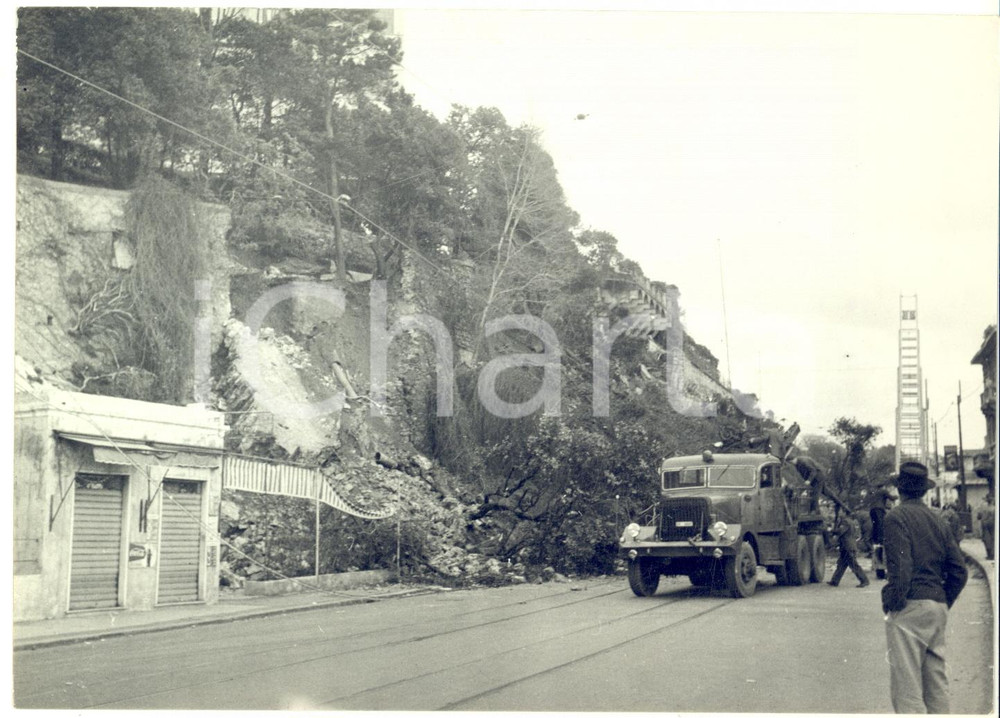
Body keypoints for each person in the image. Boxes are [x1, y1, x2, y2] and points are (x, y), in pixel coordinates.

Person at [882, 461, 968, 714]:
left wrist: (895, 602)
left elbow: (901, 568)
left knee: (907, 691)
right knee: (936, 685)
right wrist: (940, 600)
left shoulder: (895, 517)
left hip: (910, 607)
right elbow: (959, 570)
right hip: (937, 605)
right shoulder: (938, 518)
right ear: (924, 490)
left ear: (900, 489)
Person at [827, 512, 869, 588]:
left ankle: (864, 580)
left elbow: (840, 531)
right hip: (847, 547)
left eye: (841, 513)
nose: (839, 514)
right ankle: (835, 581)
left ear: (845, 514)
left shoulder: (845, 522)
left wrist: (831, 531)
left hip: (847, 547)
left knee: (854, 565)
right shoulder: (850, 521)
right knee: (841, 565)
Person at [869, 489, 895, 579]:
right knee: (883, 554)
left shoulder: (874, 494)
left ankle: (880, 574)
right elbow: (892, 497)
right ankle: (884, 573)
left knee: (878, 553)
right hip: (884, 538)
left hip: (876, 538)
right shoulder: (885, 512)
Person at [975, 493, 995, 561]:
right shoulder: (994, 507)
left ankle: (989, 555)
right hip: (993, 525)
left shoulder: (982, 507)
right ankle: (992, 555)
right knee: (993, 539)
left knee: (986, 540)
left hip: (985, 525)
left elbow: (978, 516)